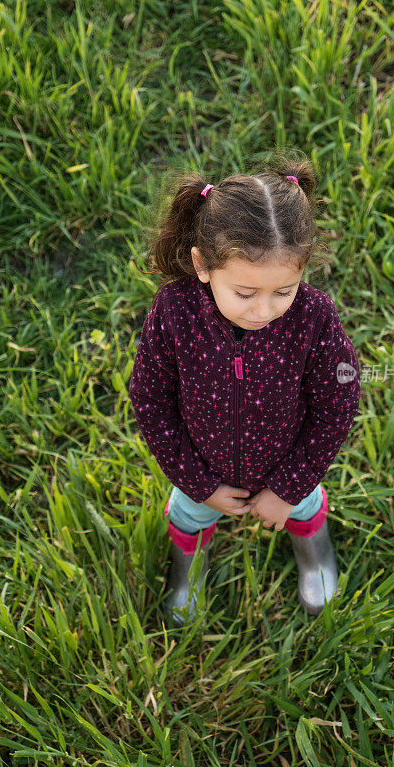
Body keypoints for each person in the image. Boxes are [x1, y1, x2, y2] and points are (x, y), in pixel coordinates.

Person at [128, 152, 361, 627]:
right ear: (202, 265)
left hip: (287, 460)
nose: (264, 311)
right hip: (202, 466)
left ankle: (314, 556)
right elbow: (150, 400)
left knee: (306, 506)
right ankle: (186, 574)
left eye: (284, 290)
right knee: (189, 517)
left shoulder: (313, 317)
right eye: (246, 293)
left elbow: (338, 403)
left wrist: (289, 485)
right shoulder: (174, 313)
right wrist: (198, 483)